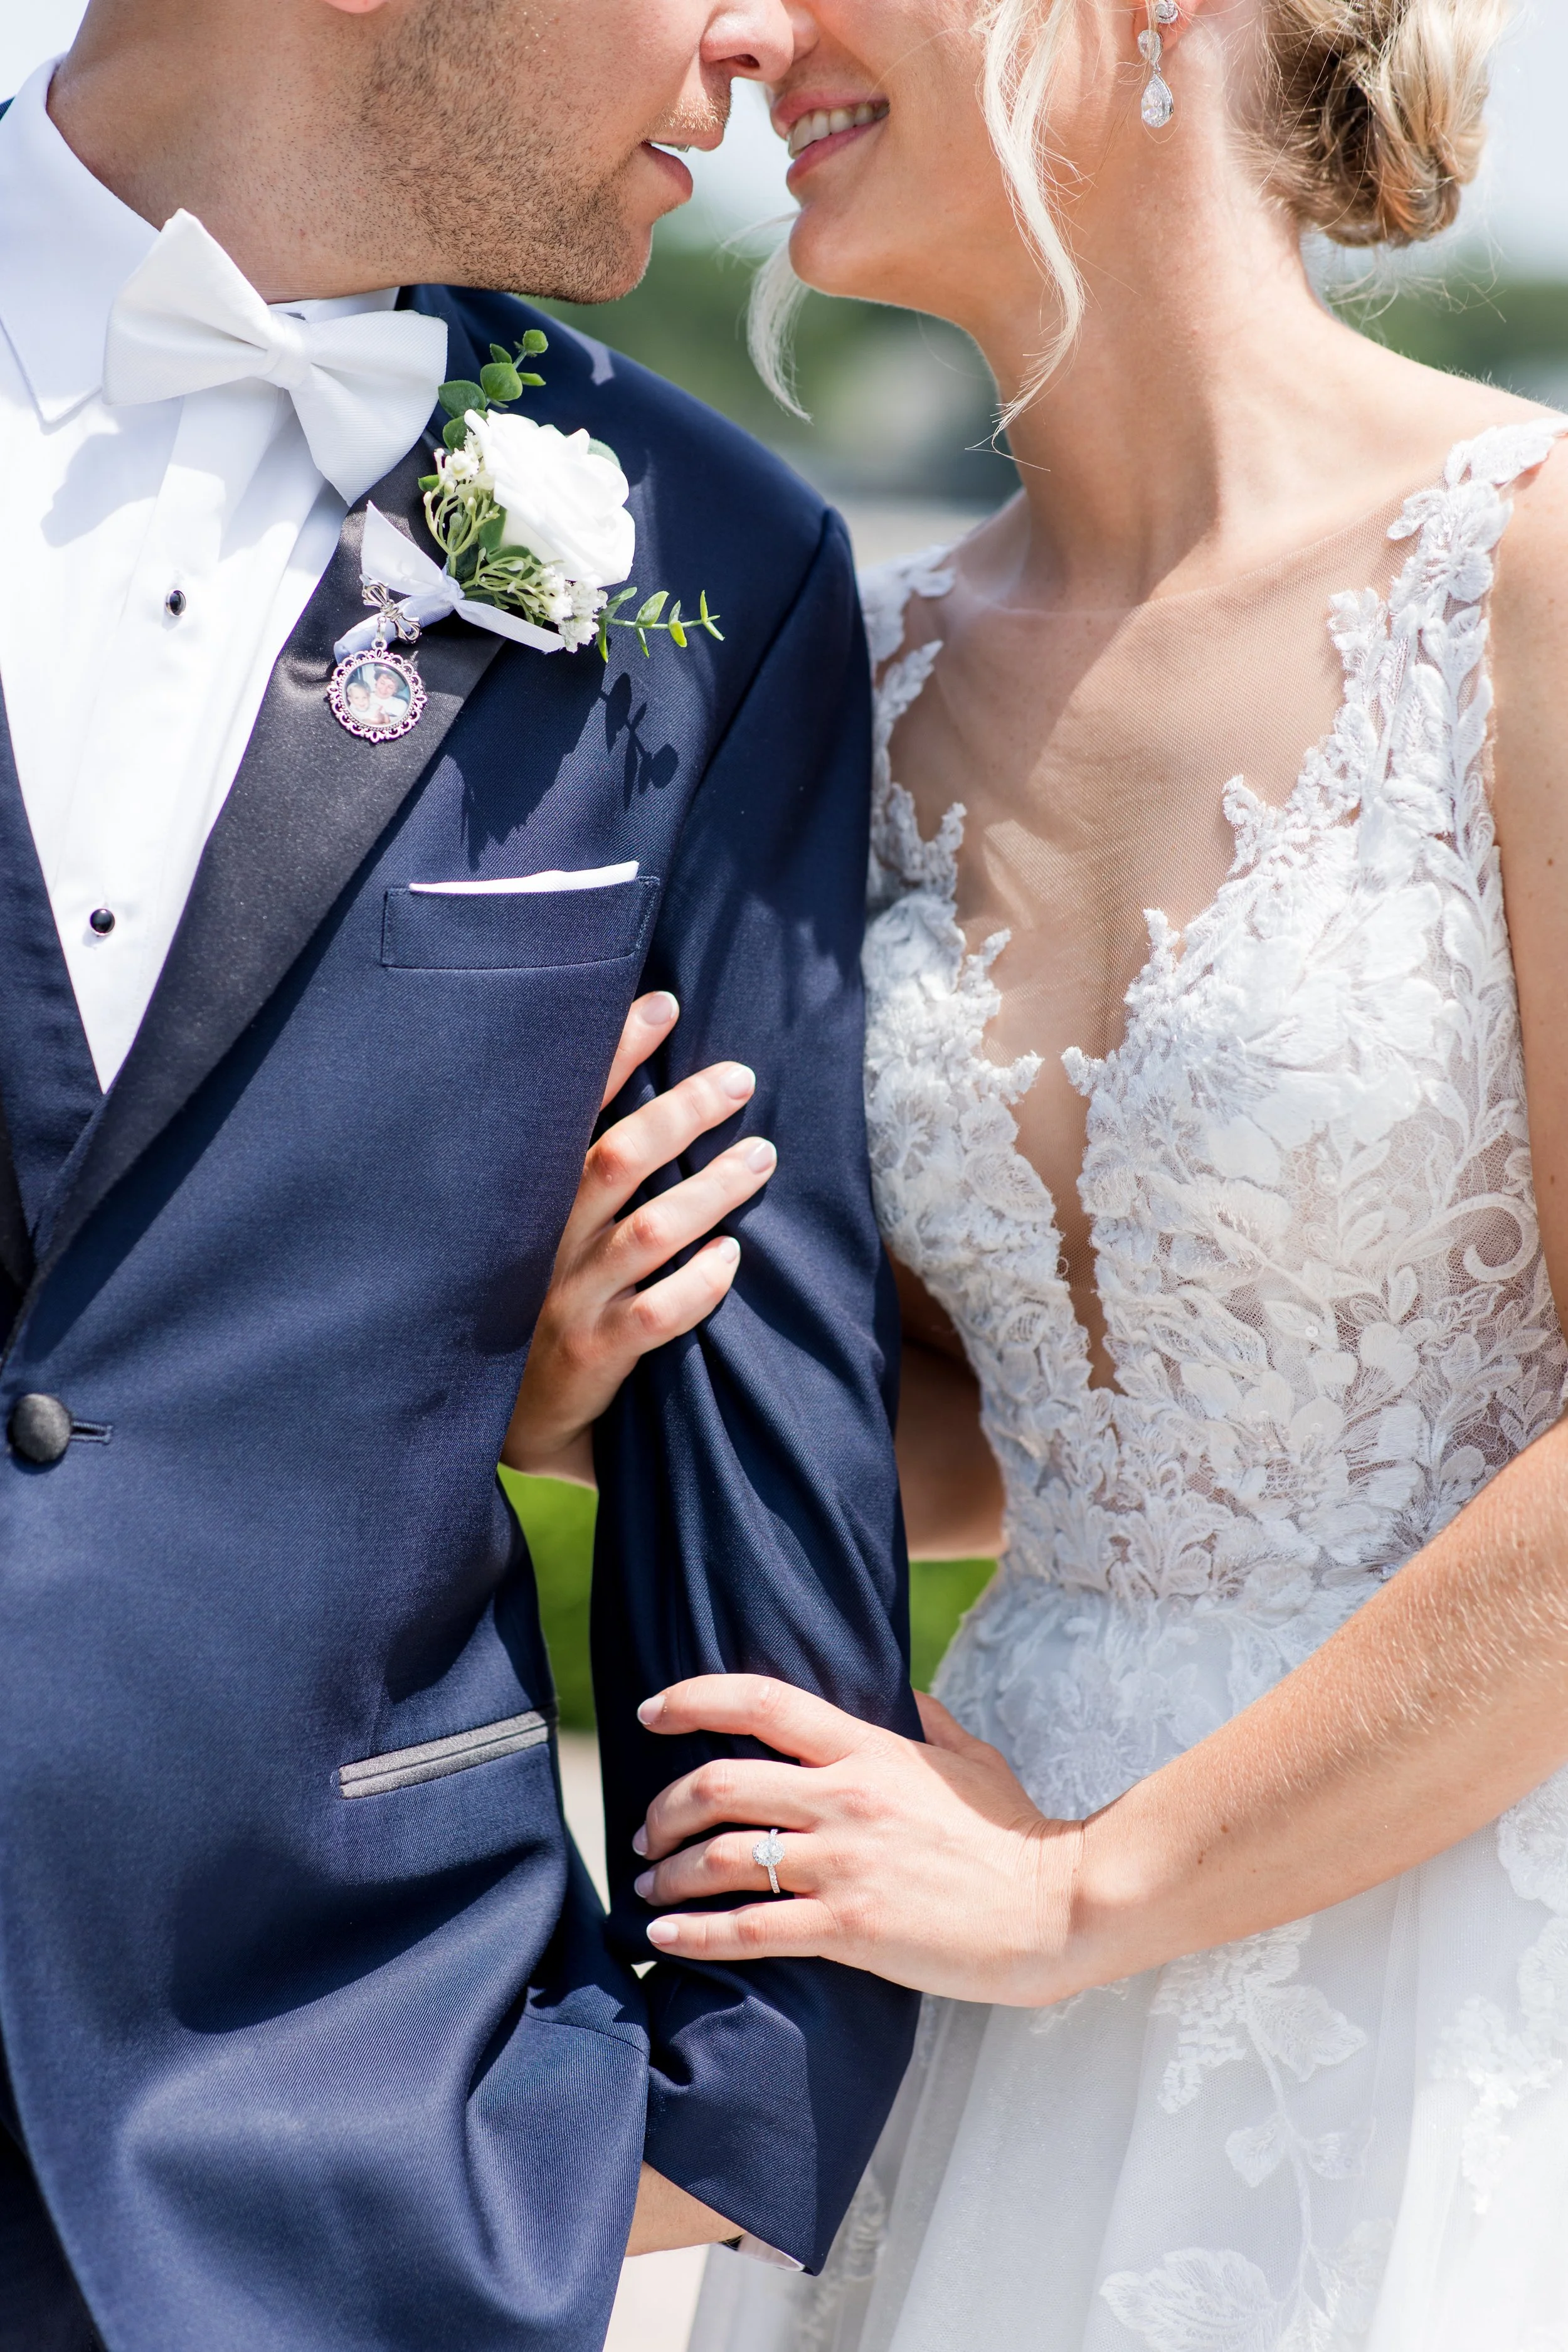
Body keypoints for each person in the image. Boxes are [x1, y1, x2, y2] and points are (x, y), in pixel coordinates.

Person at [506, 0, 1568, 2343]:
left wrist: (1097, 1891)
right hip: (961, 1949)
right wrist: (603, 1366)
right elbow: (1026, 1412)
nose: (756, 25)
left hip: (1446, 1948)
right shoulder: (864, 675)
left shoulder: (1529, 581)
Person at [0, 1, 923, 2345]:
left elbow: (764, 1421)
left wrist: (715, 2127)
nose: (762, 30)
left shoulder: (712, 560)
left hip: (322, 2148)